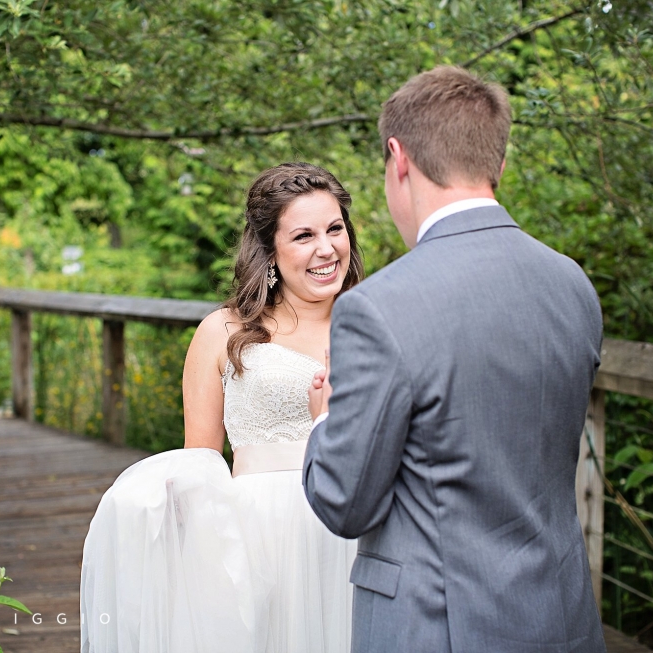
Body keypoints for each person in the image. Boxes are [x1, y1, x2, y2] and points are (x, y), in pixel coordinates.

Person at [303, 66, 607, 652]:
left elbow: (345, 502)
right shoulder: (572, 285)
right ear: (498, 160)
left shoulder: (377, 308)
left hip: (436, 627)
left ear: (399, 159)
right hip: (561, 618)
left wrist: (324, 418)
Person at [80, 162, 363, 653]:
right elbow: (200, 465)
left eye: (335, 228)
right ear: (270, 249)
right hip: (259, 542)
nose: (326, 248)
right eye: (303, 235)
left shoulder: (375, 323)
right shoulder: (223, 332)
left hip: (354, 532)